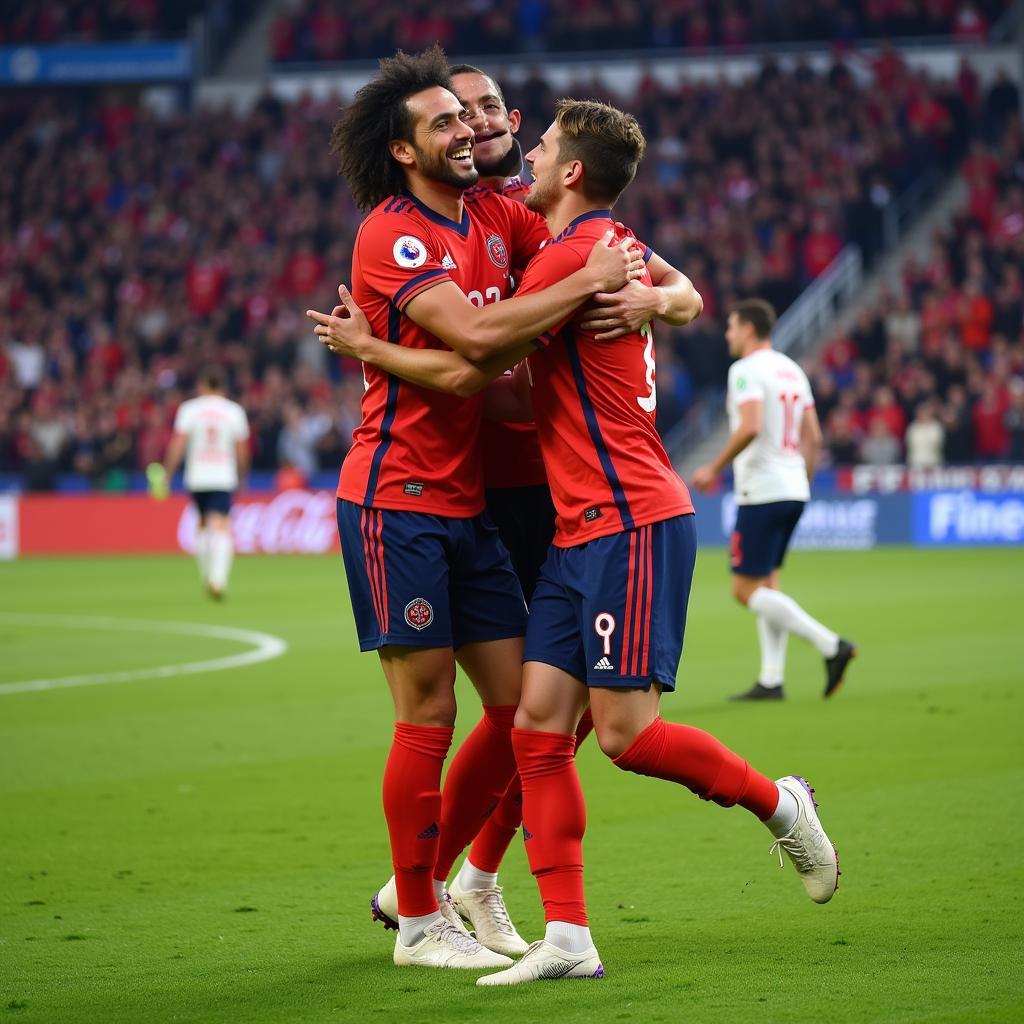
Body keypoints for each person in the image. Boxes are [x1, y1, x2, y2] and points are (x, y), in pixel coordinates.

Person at [317, 99, 840, 987]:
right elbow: (635, 315)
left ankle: (777, 800)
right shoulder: (587, 248)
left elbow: (476, 357)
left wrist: (371, 348)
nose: (514, 143)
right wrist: (651, 292)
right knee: (539, 727)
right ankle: (564, 934)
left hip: (628, 516)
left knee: (626, 734)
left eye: (539, 140)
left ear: (568, 174)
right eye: (462, 115)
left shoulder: (565, 253)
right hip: (574, 527)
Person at [307, 46, 644, 972]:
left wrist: (665, 296)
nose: (471, 129)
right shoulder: (396, 232)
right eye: (446, 122)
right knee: (427, 716)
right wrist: (585, 287)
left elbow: (487, 376)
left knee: (523, 711)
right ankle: (418, 922)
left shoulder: (490, 218)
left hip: (468, 506)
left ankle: (462, 887)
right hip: (395, 497)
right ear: (404, 150)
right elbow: (471, 348)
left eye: (472, 116)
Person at [692, 300, 856, 700]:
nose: (728, 335)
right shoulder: (792, 369)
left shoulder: (745, 371)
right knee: (769, 583)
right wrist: (803, 480)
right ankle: (771, 679)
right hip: (793, 487)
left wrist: (712, 468)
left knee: (744, 590)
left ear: (748, 329)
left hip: (762, 491)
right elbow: (813, 437)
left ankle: (831, 645)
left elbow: (749, 426)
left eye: (731, 327)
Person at [159, 366, 249, 600]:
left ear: (202, 385)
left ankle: (206, 574)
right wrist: (242, 476)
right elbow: (241, 449)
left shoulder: (189, 409)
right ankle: (217, 579)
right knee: (221, 525)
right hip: (222, 475)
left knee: (201, 524)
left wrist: (168, 473)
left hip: (197, 476)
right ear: (223, 387)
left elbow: (178, 444)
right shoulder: (234, 411)